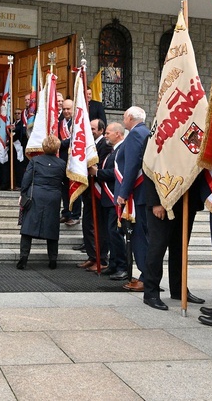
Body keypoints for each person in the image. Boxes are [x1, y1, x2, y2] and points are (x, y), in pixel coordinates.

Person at [142, 176, 205, 310]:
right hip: (163, 200)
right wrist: (156, 201)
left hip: (187, 200)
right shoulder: (155, 152)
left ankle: (179, 289)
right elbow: (149, 168)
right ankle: (151, 292)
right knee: (157, 247)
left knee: (180, 248)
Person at [17, 135, 67, 270]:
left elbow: (26, 178)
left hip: (36, 195)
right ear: (57, 148)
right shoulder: (62, 163)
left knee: (27, 228)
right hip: (54, 197)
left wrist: (23, 193)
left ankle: (23, 258)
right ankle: (52, 260)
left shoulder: (35, 160)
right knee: (52, 227)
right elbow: (66, 182)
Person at [117, 106, 150, 291]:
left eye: (124, 117)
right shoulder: (146, 131)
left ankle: (146, 277)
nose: (123, 121)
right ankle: (147, 275)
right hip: (143, 193)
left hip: (138, 194)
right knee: (144, 236)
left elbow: (131, 166)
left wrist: (123, 193)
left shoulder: (136, 134)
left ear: (130, 117)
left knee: (140, 238)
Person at [89, 122, 128, 279]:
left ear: (118, 134)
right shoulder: (113, 151)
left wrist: (97, 173)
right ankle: (113, 264)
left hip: (114, 196)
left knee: (115, 233)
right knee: (110, 233)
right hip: (107, 198)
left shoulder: (122, 149)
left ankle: (122, 266)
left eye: (108, 133)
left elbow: (116, 173)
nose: (105, 135)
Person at [77, 119, 110, 270]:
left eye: (93, 128)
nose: (90, 131)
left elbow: (102, 165)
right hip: (88, 191)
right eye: (88, 128)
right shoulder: (88, 144)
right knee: (87, 224)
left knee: (99, 226)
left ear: (101, 130)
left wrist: (93, 170)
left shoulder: (105, 145)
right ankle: (92, 256)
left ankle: (101, 258)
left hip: (99, 191)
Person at [58, 99, 81, 225]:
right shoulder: (60, 123)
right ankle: (66, 213)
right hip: (62, 160)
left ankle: (76, 215)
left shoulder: (78, 123)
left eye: (68, 109)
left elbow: (75, 140)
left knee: (75, 188)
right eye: (64, 109)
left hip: (75, 161)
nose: (66, 111)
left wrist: (61, 143)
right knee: (64, 188)